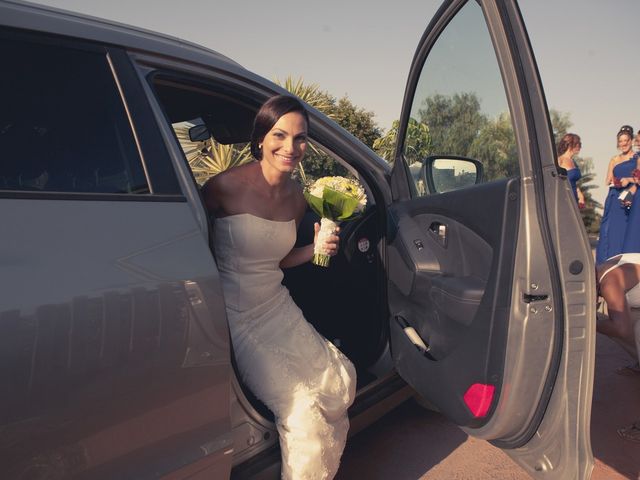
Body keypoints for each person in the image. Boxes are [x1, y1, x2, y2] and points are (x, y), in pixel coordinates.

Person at [202, 95, 356, 479]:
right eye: (280, 135)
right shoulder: (222, 187)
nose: (290, 147)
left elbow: (278, 259)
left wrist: (316, 249)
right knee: (302, 410)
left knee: (340, 381)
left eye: (300, 138)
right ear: (260, 138)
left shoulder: (298, 201)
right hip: (237, 318)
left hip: (277, 307)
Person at [596, 253, 640, 443]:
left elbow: (621, 329)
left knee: (615, 325)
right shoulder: (603, 268)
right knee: (620, 322)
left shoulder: (609, 283)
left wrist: (587, 321)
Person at [595, 126, 637, 264]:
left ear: (631, 141)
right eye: (620, 141)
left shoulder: (636, 158)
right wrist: (616, 181)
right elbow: (607, 180)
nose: (623, 144)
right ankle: (607, 263)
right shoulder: (614, 159)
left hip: (631, 196)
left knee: (626, 230)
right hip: (615, 197)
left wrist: (629, 180)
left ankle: (626, 263)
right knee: (610, 230)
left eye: (626, 140)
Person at [556, 133, 585, 208]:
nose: (580, 146)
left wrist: (580, 195)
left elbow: (573, 182)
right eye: (578, 144)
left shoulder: (573, 162)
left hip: (574, 195)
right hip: (564, 196)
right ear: (570, 145)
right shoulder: (560, 160)